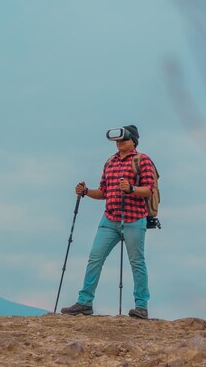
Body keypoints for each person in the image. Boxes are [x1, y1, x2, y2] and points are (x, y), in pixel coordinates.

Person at [61, 125, 157, 319]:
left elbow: (149, 189)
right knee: (95, 258)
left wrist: (131, 188)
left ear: (133, 141)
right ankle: (84, 302)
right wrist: (86, 192)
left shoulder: (142, 160)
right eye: (117, 141)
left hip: (134, 218)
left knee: (137, 262)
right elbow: (104, 192)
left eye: (123, 140)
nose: (119, 143)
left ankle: (141, 306)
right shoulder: (110, 162)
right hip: (110, 218)